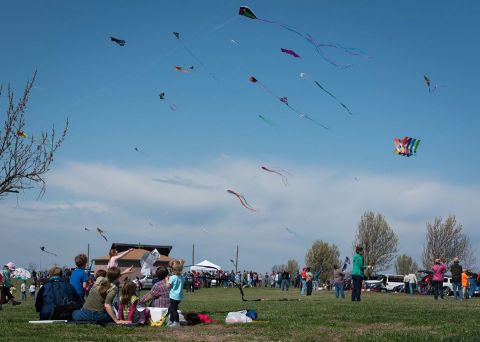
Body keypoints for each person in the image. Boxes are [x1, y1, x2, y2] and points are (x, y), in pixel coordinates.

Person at [166, 259, 185, 327]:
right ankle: (171, 321)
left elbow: (168, 286)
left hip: (173, 297)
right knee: (171, 309)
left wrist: (167, 280)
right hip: (179, 297)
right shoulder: (182, 277)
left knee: (174, 310)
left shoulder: (172, 277)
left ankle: (176, 322)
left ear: (173, 269)